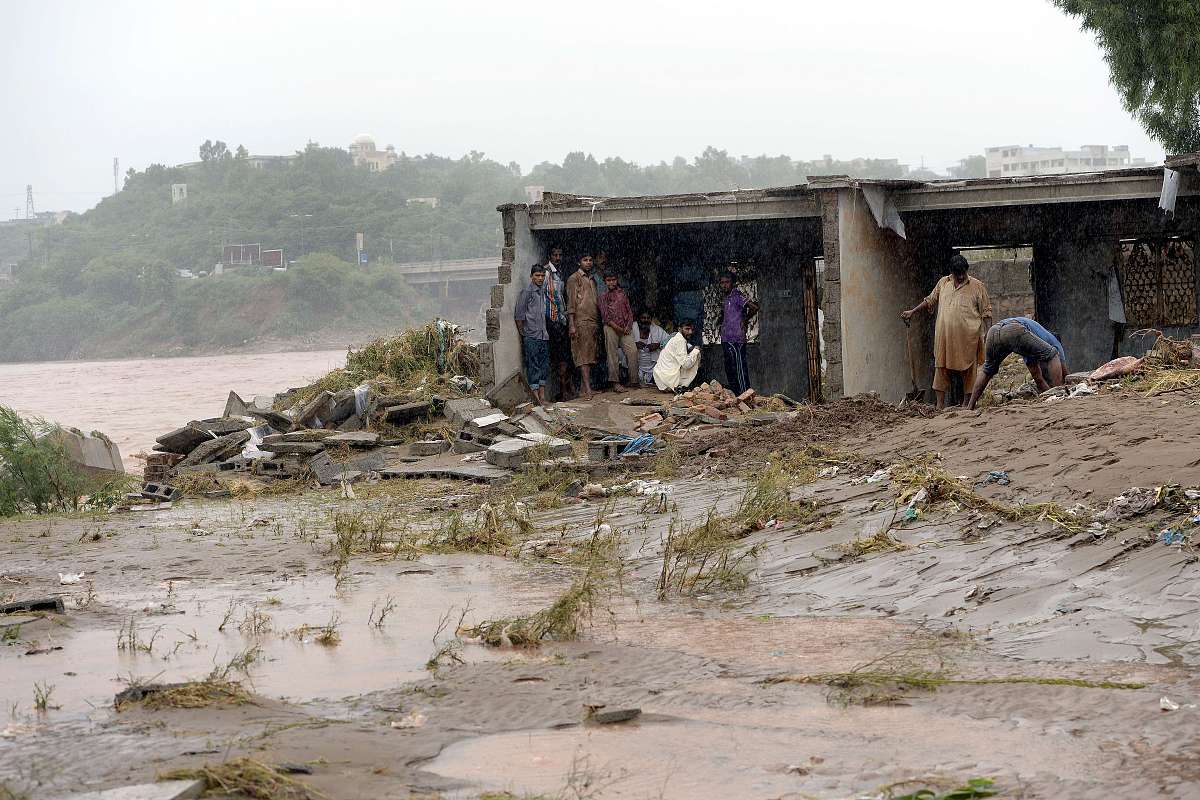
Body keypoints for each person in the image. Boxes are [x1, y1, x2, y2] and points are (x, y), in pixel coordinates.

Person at [900, 254, 992, 410]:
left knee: (969, 371)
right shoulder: (943, 283)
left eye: (963, 273)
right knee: (941, 369)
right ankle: (940, 405)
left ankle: (967, 405)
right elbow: (930, 300)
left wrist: (989, 334)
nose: (961, 276)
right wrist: (912, 312)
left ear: (966, 270)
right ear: (952, 273)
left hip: (968, 339)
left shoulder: (977, 286)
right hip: (944, 338)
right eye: (957, 274)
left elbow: (986, 312)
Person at [967, 318, 1067, 410]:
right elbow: (1064, 371)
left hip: (993, 332)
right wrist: (1061, 391)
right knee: (1053, 355)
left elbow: (1037, 377)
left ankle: (970, 406)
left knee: (987, 370)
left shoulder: (1031, 340)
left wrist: (1047, 394)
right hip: (1012, 329)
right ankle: (1058, 396)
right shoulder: (1054, 341)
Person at [513, 264, 551, 405]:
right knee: (533, 366)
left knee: (544, 365)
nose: (540, 278)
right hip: (531, 336)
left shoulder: (541, 292)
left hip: (543, 335)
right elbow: (519, 316)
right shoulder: (527, 292)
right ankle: (535, 398)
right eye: (537, 275)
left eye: (542, 276)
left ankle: (542, 396)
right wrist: (523, 333)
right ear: (531, 276)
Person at [718, 272, 759, 396]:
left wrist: (745, 320)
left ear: (732, 283)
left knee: (739, 368)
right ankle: (736, 395)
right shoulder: (726, 298)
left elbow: (754, 307)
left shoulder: (737, 296)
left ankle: (745, 394)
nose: (724, 285)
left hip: (736, 338)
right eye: (722, 283)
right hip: (726, 338)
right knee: (730, 368)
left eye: (727, 282)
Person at [566, 253, 601, 399]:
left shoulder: (592, 279)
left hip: (592, 321)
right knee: (583, 357)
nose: (588, 262)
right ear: (579, 262)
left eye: (590, 260)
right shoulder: (574, 278)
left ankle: (584, 389)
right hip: (581, 321)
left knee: (590, 355)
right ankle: (587, 389)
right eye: (585, 260)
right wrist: (572, 324)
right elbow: (571, 302)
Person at [541, 245, 573, 401]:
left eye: (560, 255)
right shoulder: (545, 273)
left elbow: (560, 297)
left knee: (563, 357)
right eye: (555, 255)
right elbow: (543, 296)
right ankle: (561, 391)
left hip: (561, 320)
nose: (558, 258)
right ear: (550, 256)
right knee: (558, 358)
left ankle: (564, 390)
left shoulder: (559, 273)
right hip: (551, 320)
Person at [598, 273, 638, 392]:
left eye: (613, 279)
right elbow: (606, 317)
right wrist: (619, 328)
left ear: (617, 280)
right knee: (612, 354)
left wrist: (629, 325)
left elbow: (629, 311)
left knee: (633, 351)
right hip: (611, 328)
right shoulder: (603, 296)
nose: (611, 282)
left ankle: (634, 381)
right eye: (608, 280)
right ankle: (615, 382)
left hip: (625, 327)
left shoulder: (622, 293)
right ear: (605, 281)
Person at [654, 319, 702, 392]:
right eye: (687, 329)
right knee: (696, 353)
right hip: (667, 378)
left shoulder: (677, 337)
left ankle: (678, 385)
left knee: (692, 353)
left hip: (662, 376)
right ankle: (681, 386)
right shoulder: (679, 340)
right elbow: (686, 365)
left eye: (691, 329)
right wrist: (695, 351)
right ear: (679, 329)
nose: (690, 332)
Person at [634, 310, 670, 386]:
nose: (646, 320)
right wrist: (634, 344)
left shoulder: (657, 329)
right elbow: (622, 343)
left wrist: (659, 345)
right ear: (639, 319)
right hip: (635, 365)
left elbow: (670, 341)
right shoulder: (632, 328)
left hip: (653, 367)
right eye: (643, 318)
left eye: (648, 318)